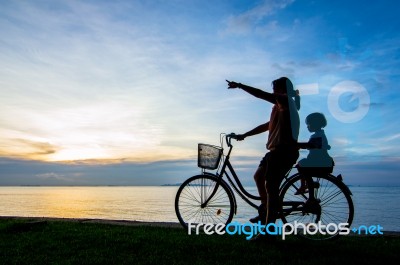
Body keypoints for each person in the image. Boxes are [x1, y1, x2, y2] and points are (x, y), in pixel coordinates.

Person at [227, 77, 300, 240]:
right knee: (258, 177)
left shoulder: (285, 100)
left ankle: (269, 230)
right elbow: (266, 126)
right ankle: (265, 210)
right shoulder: (277, 107)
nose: (273, 91)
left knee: (271, 187)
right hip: (273, 152)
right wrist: (244, 135)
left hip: (284, 152)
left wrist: (239, 85)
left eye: (275, 88)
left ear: (282, 89)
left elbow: (260, 94)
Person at [296, 112, 334, 195]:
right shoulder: (320, 134)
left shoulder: (318, 135)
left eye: (308, 124)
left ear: (315, 124)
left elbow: (309, 145)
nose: (307, 127)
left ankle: (306, 185)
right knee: (302, 166)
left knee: (300, 165)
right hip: (321, 161)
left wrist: (295, 144)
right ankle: (308, 184)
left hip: (319, 162)